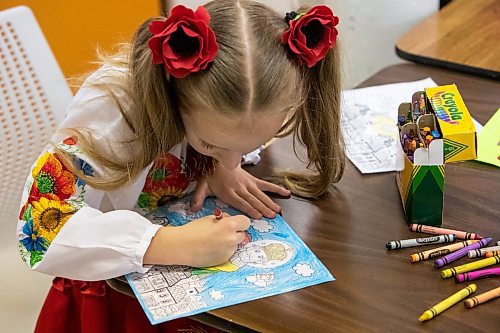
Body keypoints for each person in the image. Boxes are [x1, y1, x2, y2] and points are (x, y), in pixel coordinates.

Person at [17, 1, 344, 332]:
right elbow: (41, 231)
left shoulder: (229, 117)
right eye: (212, 144)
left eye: (245, 149)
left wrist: (215, 164)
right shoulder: (111, 113)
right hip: (111, 293)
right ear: (174, 98)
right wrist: (166, 244)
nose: (235, 161)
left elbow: (222, 139)